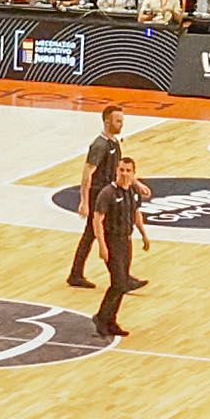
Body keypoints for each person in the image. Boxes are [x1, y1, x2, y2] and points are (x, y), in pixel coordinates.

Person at [66, 117, 151, 337]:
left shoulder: (128, 185)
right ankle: (102, 314)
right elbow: (87, 173)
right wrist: (84, 200)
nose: (121, 123)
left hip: (126, 239)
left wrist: (144, 235)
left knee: (120, 282)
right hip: (109, 229)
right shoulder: (100, 147)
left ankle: (109, 318)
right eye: (117, 120)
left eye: (128, 171)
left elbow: (135, 213)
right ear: (106, 121)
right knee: (91, 237)